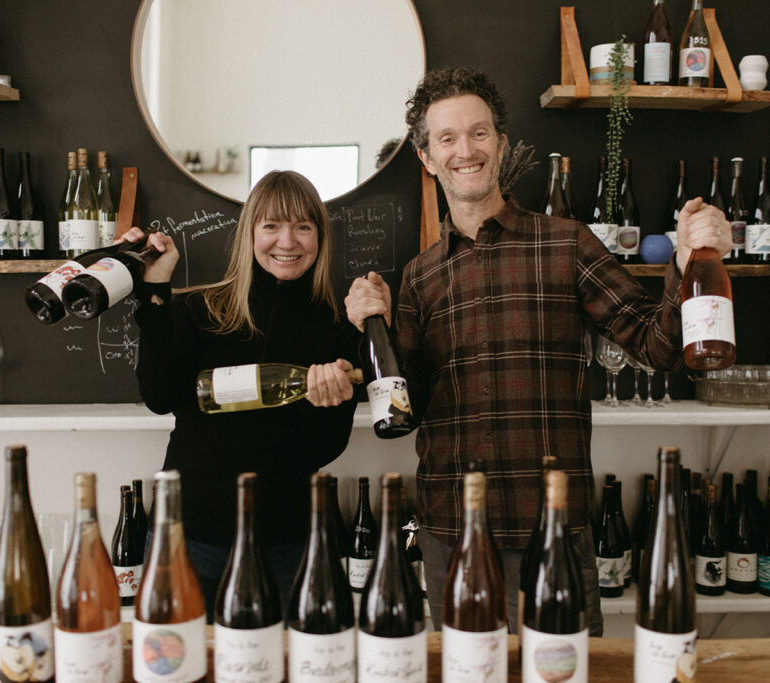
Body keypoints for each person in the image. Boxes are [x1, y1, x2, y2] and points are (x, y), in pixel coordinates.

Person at [345, 67, 733, 636]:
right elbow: (403, 412)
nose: (465, 150)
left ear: (501, 145)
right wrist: (370, 326)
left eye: (479, 133)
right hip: (449, 534)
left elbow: (658, 348)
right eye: (447, 139)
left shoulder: (565, 242)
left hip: (549, 533)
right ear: (427, 159)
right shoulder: (419, 278)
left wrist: (686, 262)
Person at [128, 170, 360, 619]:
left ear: (320, 237)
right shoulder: (201, 309)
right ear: (250, 232)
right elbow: (158, 395)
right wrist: (155, 289)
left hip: (290, 543)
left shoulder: (336, 325)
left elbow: (324, 448)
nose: (287, 241)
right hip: (190, 536)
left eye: (303, 226)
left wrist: (335, 399)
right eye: (271, 225)